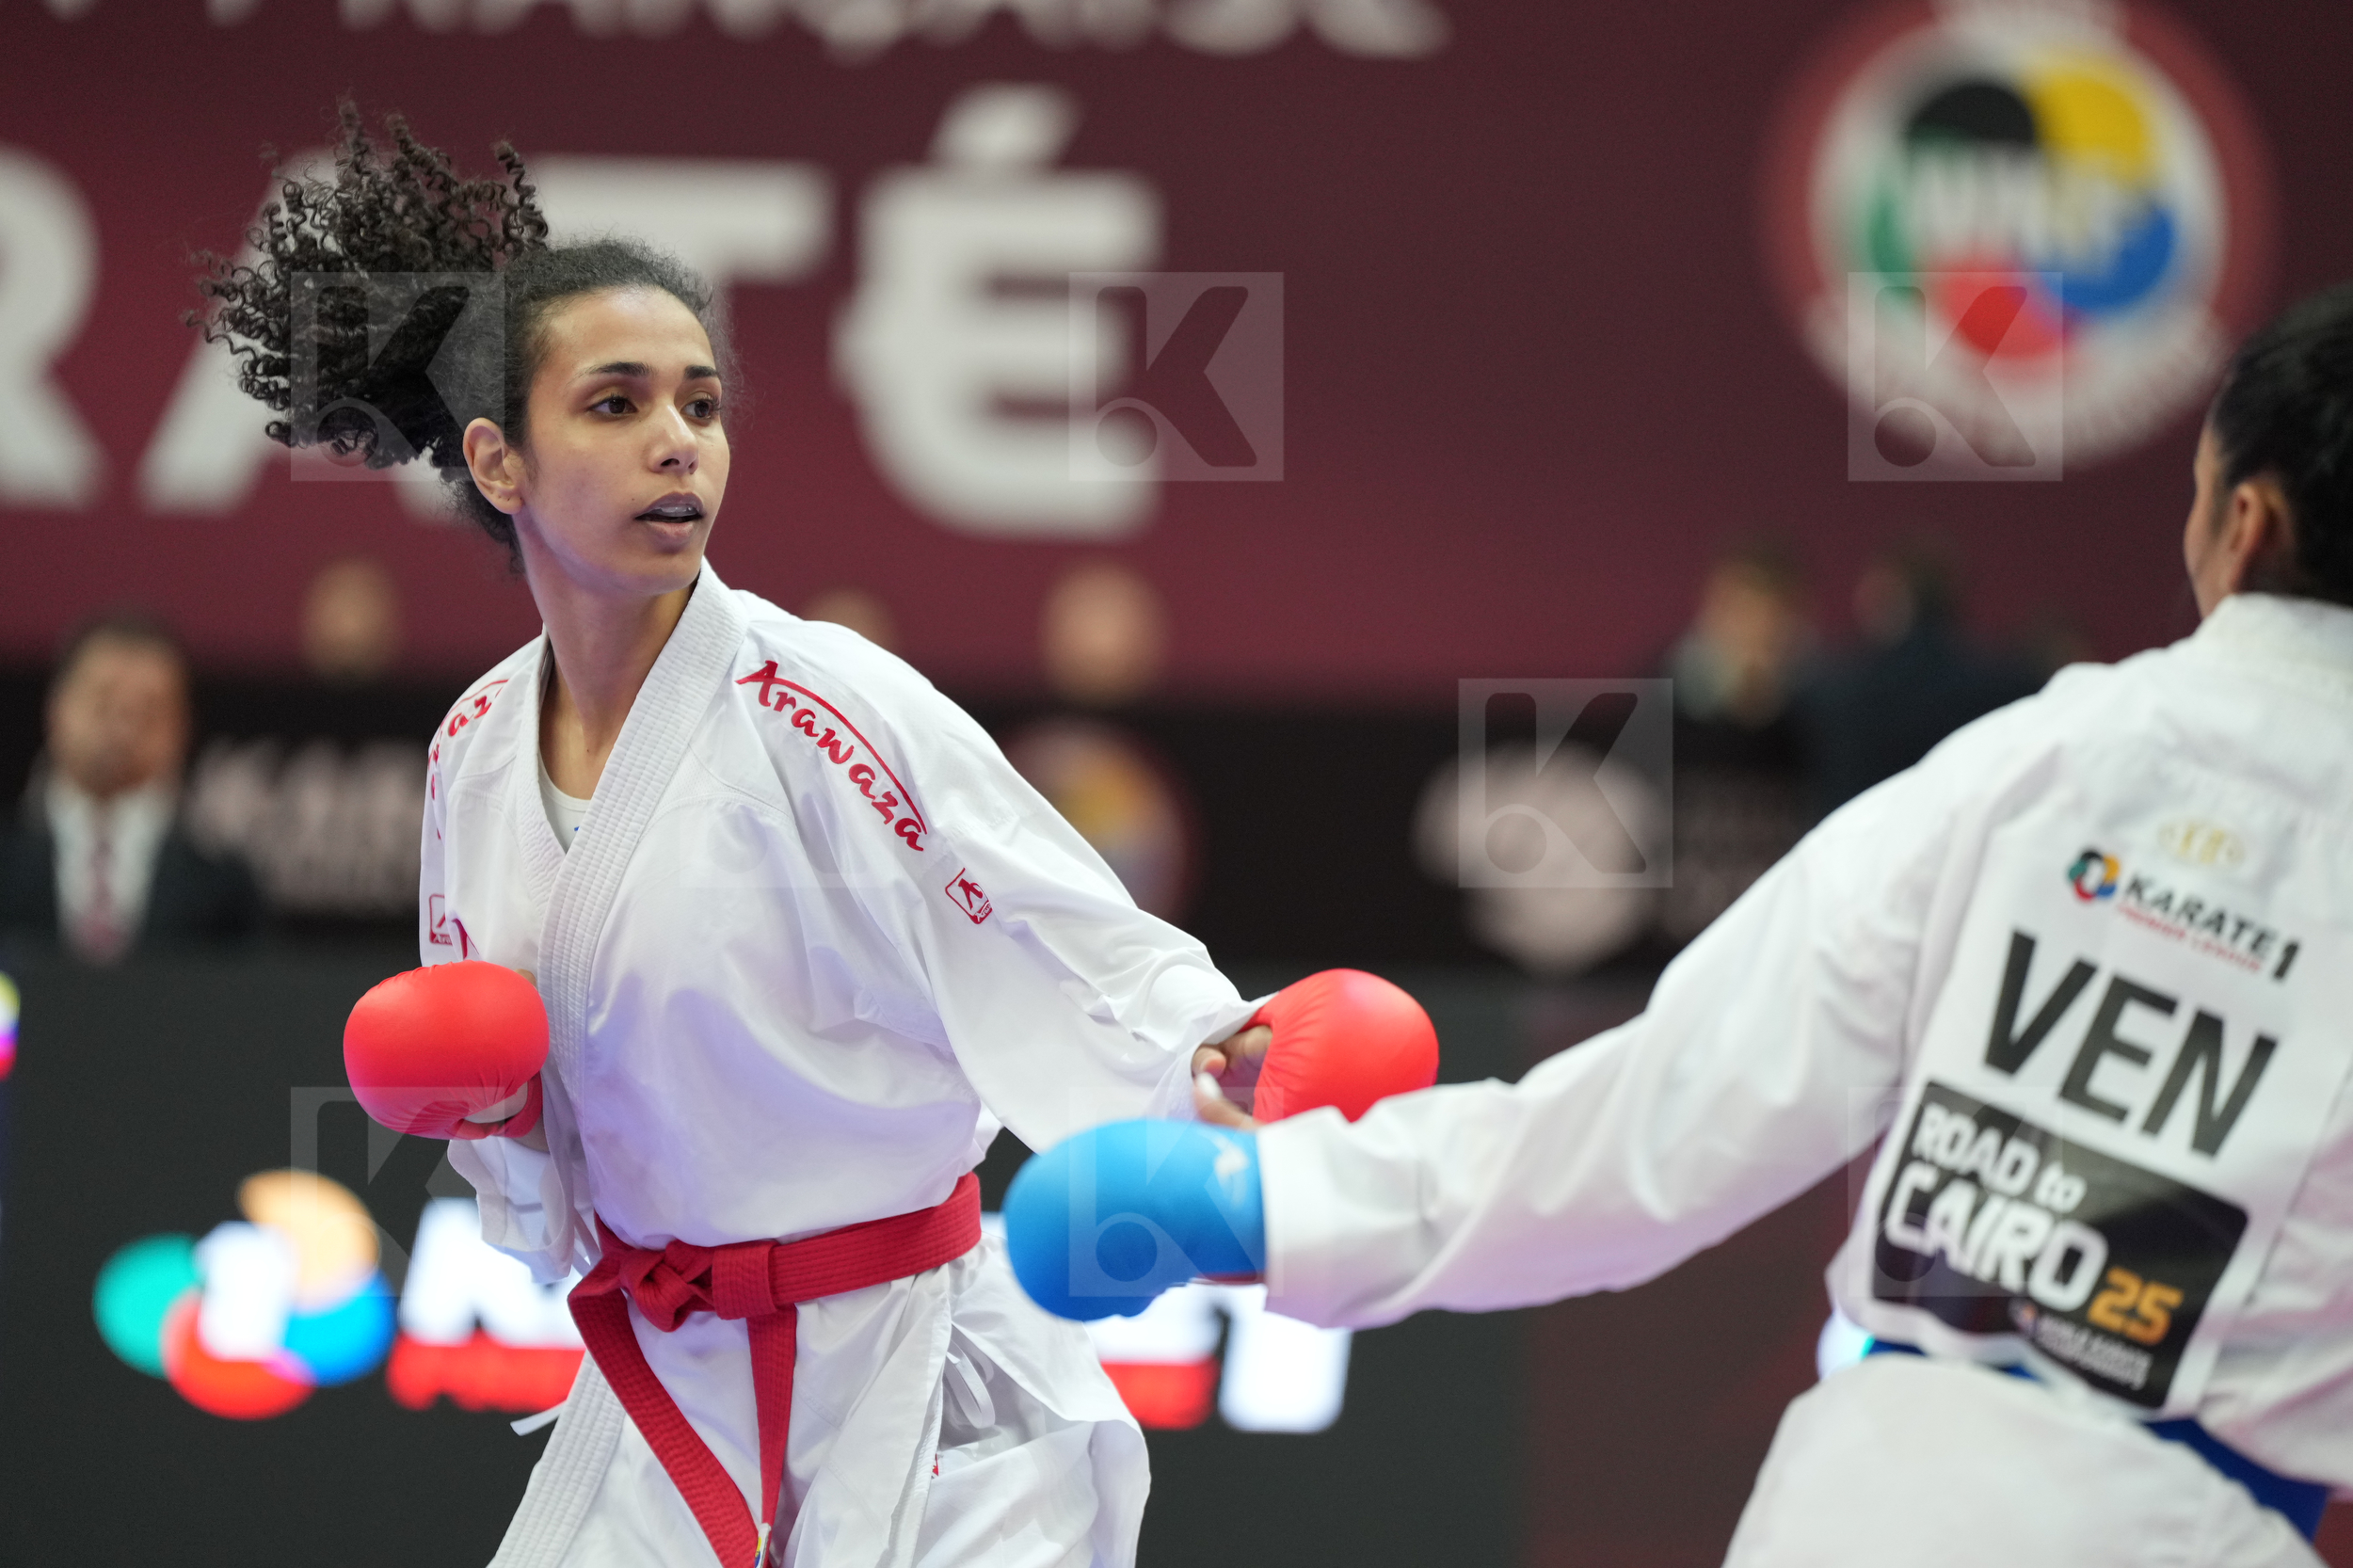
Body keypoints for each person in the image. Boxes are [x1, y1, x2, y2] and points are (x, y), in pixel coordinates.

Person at [1011, 281, 2353, 1566]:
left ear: (2246, 522)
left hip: (1875, 1506)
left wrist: (1254, 1203)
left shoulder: (2046, 757)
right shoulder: (2049, 745)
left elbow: (1672, 1113)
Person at [194, 107, 1305, 1568]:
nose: (680, 443)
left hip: (913, 1377)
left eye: (702, 405)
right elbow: (537, 1154)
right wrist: (480, 1108)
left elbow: (1044, 918)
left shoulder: (825, 706)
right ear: (499, 460)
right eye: (617, 404)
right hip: (668, 1377)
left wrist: (1202, 1055)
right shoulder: (472, 755)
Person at [0, 614, 260, 962]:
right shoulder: (8, 861)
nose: (123, 725)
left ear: (182, 728)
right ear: (56, 707)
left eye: (148, 710)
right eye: (103, 701)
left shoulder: (227, 891)